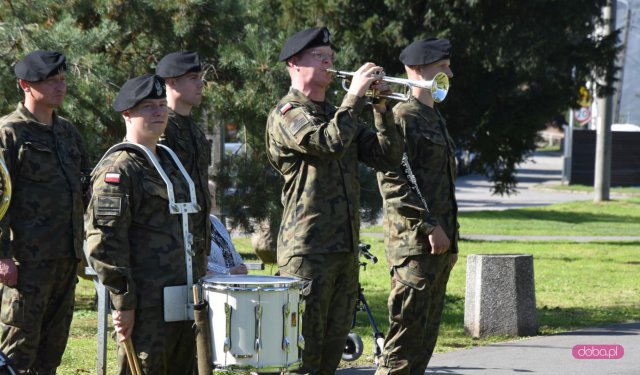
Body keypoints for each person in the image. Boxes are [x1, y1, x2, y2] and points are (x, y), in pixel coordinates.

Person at [266, 26, 402, 374]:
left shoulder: (338, 113)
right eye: (320, 57)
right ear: (295, 63)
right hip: (307, 252)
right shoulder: (287, 113)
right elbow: (326, 144)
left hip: (343, 251)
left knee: (330, 359)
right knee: (301, 357)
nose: (330, 64)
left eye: (331, 57)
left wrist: (382, 108)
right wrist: (354, 98)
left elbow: (386, 156)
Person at [86, 74, 202, 375]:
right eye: (148, 106)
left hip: (183, 297)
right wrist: (123, 302)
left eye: (162, 105)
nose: (159, 112)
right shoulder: (119, 169)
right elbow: (105, 244)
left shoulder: (168, 161)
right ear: (127, 113)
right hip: (146, 304)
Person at [0, 50, 88, 374]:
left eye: (62, 79)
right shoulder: (9, 133)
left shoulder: (67, 133)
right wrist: (2, 256)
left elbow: (84, 188)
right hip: (26, 266)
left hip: (65, 260)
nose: (59, 87)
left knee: (51, 353)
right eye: (50, 81)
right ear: (25, 84)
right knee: (15, 355)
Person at [374, 38, 459, 375]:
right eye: (442, 67)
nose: (450, 73)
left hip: (438, 246)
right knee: (402, 346)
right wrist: (429, 226)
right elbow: (393, 180)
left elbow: (443, 187)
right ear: (419, 70)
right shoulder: (403, 116)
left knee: (423, 343)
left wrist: (451, 237)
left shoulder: (433, 116)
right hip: (414, 246)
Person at [156, 51, 211, 277]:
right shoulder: (160, 127)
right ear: (171, 83)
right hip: (167, 246)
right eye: (193, 78)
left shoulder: (194, 130)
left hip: (196, 245)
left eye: (200, 78)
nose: (201, 84)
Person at [206, 180, 247, 275]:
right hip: (213, 286)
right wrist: (228, 272)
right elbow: (199, 263)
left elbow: (231, 249)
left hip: (233, 283)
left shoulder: (215, 221)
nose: (208, 200)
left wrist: (241, 265)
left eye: (212, 196)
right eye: (205, 195)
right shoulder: (191, 226)